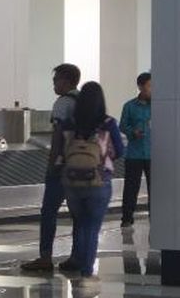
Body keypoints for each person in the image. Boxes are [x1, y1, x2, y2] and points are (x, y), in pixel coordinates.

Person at [61, 82, 124, 284]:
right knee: (92, 226)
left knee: (79, 222)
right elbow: (120, 151)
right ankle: (87, 271)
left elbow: (61, 149)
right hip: (99, 180)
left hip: (71, 181)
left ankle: (78, 261)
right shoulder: (107, 123)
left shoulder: (70, 123)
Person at [22, 63, 81, 272]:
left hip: (62, 166)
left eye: (55, 80)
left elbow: (57, 137)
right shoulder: (85, 101)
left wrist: (51, 162)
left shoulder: (62, 103)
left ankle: (45, 257)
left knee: (49, 211)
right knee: (78, 213)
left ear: (65, 81)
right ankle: (77, 256)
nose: (53, 84)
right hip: (81, 165)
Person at [120, 72, 152, 228]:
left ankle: (156, 216)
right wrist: (132, 132)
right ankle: (126, 218)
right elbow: (122, 125)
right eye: (149, 86)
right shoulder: (129, 106)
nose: (152, 89)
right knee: (131, 188)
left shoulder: (159, 106)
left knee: (156, 188)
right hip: (134, 154)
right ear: (140, 86)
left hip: (154, 154)